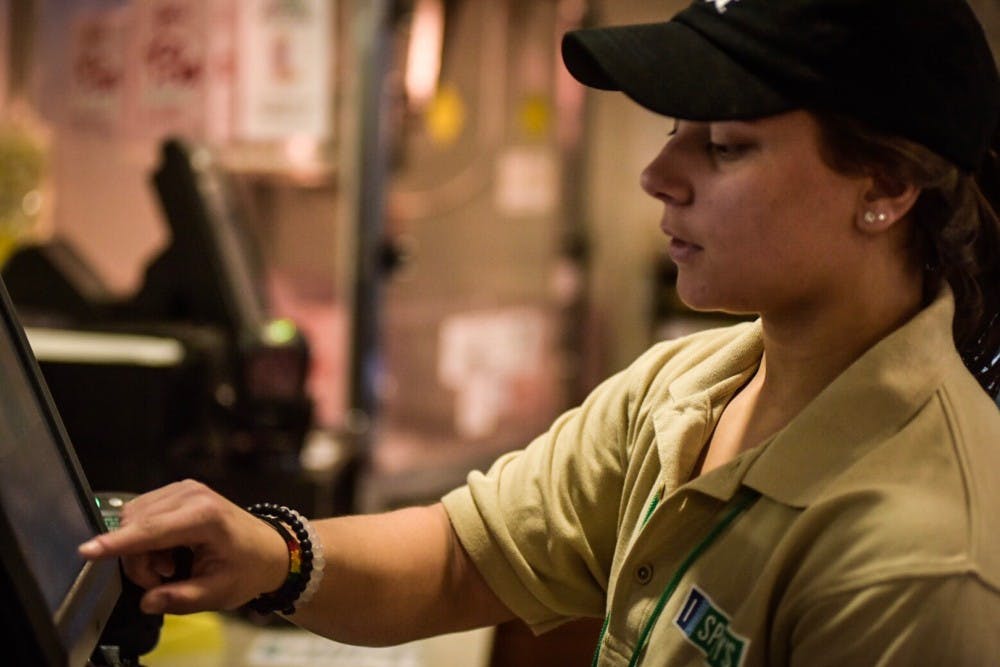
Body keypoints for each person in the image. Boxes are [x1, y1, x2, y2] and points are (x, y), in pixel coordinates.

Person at [80, 0, 1000, 664]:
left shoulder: (920, 563)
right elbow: (457, 559)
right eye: (677, 129)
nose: (658, 173)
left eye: (723, 145)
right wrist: (270, 554)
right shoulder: (691, 385)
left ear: (883, 188)